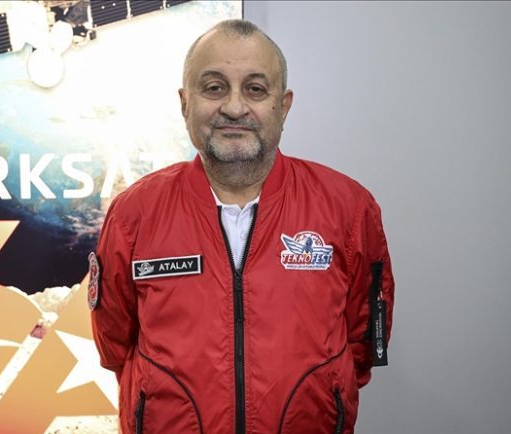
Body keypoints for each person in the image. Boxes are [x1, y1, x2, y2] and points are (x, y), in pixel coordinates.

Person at [88, 19, 394, 434]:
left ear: (283, 106)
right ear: (185, 103)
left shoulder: (348, 208)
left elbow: (363, 342)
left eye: (255, 89)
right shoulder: (134, 214)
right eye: (214, 88)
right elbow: (114, 344)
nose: (234, 107)